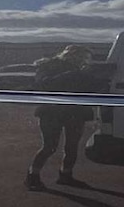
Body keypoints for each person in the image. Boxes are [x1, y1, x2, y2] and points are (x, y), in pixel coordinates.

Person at [26, 45, 100, 189]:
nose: (84, 60)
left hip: (76, 112)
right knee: (49, 147)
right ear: (69, 54)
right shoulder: (50, 65)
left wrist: (93, 76)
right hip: (52, 111)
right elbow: (43, 84)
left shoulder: (83, 70)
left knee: (72, 147)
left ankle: (66, 176)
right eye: (81, 57)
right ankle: (32, 177)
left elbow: (92, 89)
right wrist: (73, 73)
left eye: (86, 58)